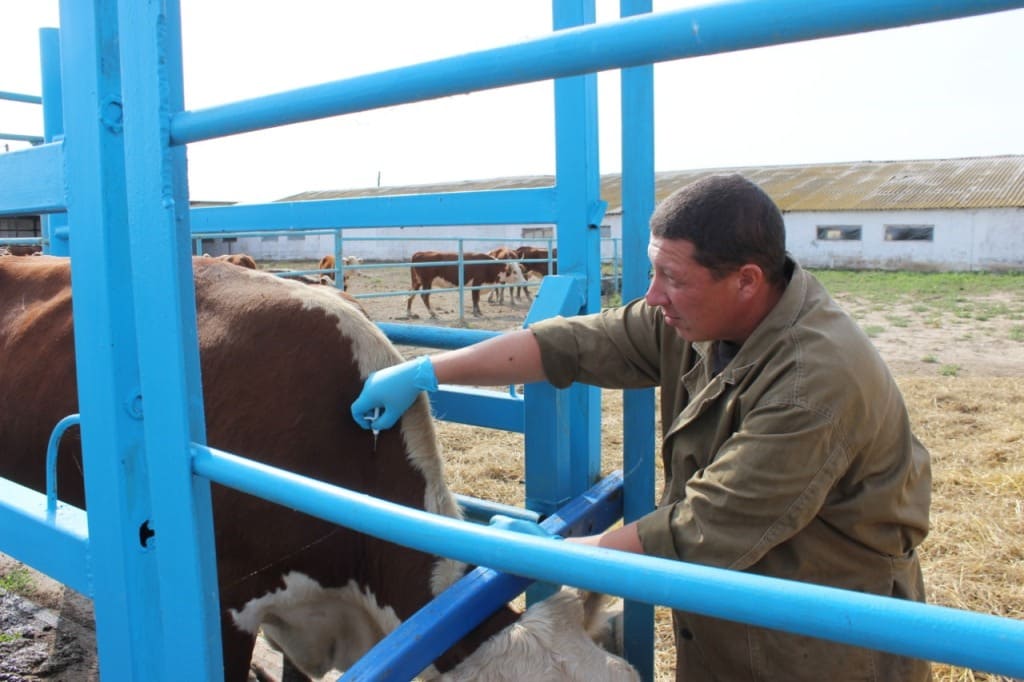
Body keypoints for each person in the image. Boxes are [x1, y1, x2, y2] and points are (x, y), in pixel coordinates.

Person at [350, 174, 932, 681]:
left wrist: (555, 554)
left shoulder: (814, 386)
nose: (653, 296)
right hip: (730, 628)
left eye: (671, 277)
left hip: (821, 646)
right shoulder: (700, 320)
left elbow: (700, 530)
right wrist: (424, 372)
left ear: (747, 281)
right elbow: (572, 344)